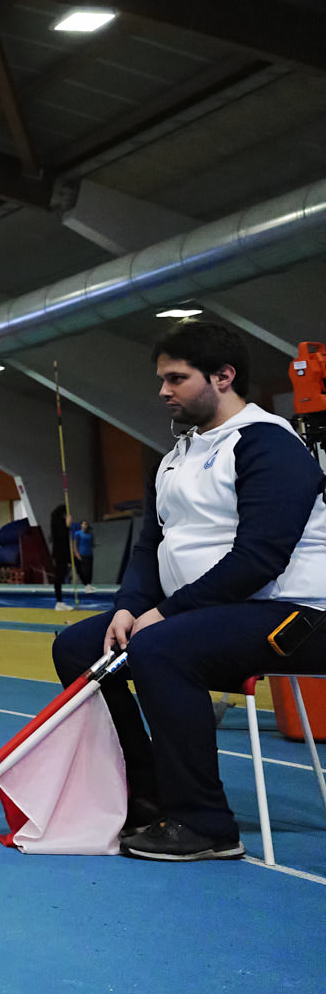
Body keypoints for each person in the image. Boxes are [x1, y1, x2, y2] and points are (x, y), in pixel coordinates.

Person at [51, 320, 326, 862]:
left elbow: (260, 558)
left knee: (160, 647)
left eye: (176, 379)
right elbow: (148, 549)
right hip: (210, 619)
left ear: (223, 377)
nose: (163, 391)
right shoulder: (174, 458)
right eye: (162, 379)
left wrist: (168, 613)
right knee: (80, 648)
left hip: (295, 616)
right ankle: (147, 794)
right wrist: (129, 607)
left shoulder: (269, 443)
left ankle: (205, 824)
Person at [50, 502, 75, 610]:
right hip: (60, 553)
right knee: (59, 577)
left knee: (61, 576)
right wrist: (67, 526)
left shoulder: (57, 522)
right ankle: (59, 602)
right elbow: (62, 536)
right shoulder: (57, 523)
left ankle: (59, 602)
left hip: (62, 553)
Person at [75, 518, 97, 591]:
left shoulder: (90, 534)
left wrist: (94, 545)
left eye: (86, 524)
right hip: (81, 554)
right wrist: (76, 554)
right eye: (84, 524)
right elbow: (75, 545)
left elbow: (92, 544)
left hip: (89, 554)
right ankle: (85, 584)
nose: (85, 525)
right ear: (81, 525)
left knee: (89, 570)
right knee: (83, 570)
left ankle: (89, 585)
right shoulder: (78, 533)